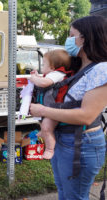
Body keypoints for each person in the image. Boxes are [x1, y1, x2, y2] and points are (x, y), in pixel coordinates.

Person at [30, 15, 107, 200]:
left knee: (74, 196)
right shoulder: (78, 66)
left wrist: (42, 110)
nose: (68, 40)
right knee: (65, 193)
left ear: (85, 38)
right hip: (65, 140)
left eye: (72, 35)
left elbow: (86, 116)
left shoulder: (102, 70)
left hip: (82, 143)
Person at [28, 49, 71, 159]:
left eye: (43, 64)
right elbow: (44, 80)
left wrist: (34, 79)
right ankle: (43, 132)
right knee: (43, 124)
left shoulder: (57, 74)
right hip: (48, 108)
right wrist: (37, 76)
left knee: (47, 127)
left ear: (52, 67)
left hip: (55, 109)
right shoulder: (52, 74)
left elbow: (44, 83)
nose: (42, 66)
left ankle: (50, 149)